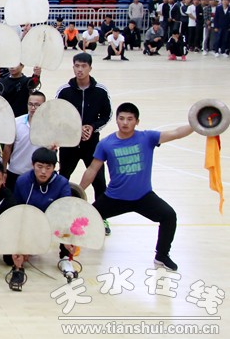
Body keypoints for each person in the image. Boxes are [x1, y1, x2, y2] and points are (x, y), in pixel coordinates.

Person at [80, 103, 193, 271]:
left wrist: (196, 125)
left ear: (137, 121)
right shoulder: (106, 144)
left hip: (143, 197)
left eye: (130, 119)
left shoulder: (147, 138)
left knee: (169, 216)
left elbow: (176, 133)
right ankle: (66, 252)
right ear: (116, 120)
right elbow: (92, 170)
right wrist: (79, 191)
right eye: (121, 118)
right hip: (114, 198)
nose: (125, 123)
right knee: (80, 219)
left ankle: (162, 256)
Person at [55, 52, 112, 234]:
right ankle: (59, 214)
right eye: (77, 66)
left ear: (90, 68)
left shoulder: (100, 91)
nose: (80, 70)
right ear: (73, 67)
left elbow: (107, 115)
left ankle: (102, 217)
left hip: (92, 144)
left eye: (83, 66)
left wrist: (92, 127)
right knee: (63, 177)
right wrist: (73, 129)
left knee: (99, 180)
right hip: (69, 144)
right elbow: (57, 115)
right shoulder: (64, 91)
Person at [10, 148, 73, 286]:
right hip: (30, 222)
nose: (43, 171)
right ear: (33, 165)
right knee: (9, 259)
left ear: (54, 168)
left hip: (53, 222)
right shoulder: (22, 181)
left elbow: (66, 210)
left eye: (48, 167)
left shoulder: (62, 183)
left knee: (71, 222)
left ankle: (65, 258)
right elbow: (17, 211)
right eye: (39, 167)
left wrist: (66, 237)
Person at [1, 91, 46, 189]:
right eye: (30, 104)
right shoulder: (16, 122)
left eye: (37, 105)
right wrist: (3, 171)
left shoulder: (49, 126)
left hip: (36, 174)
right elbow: (7, 147)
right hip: (15, 171)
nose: (33, 108)